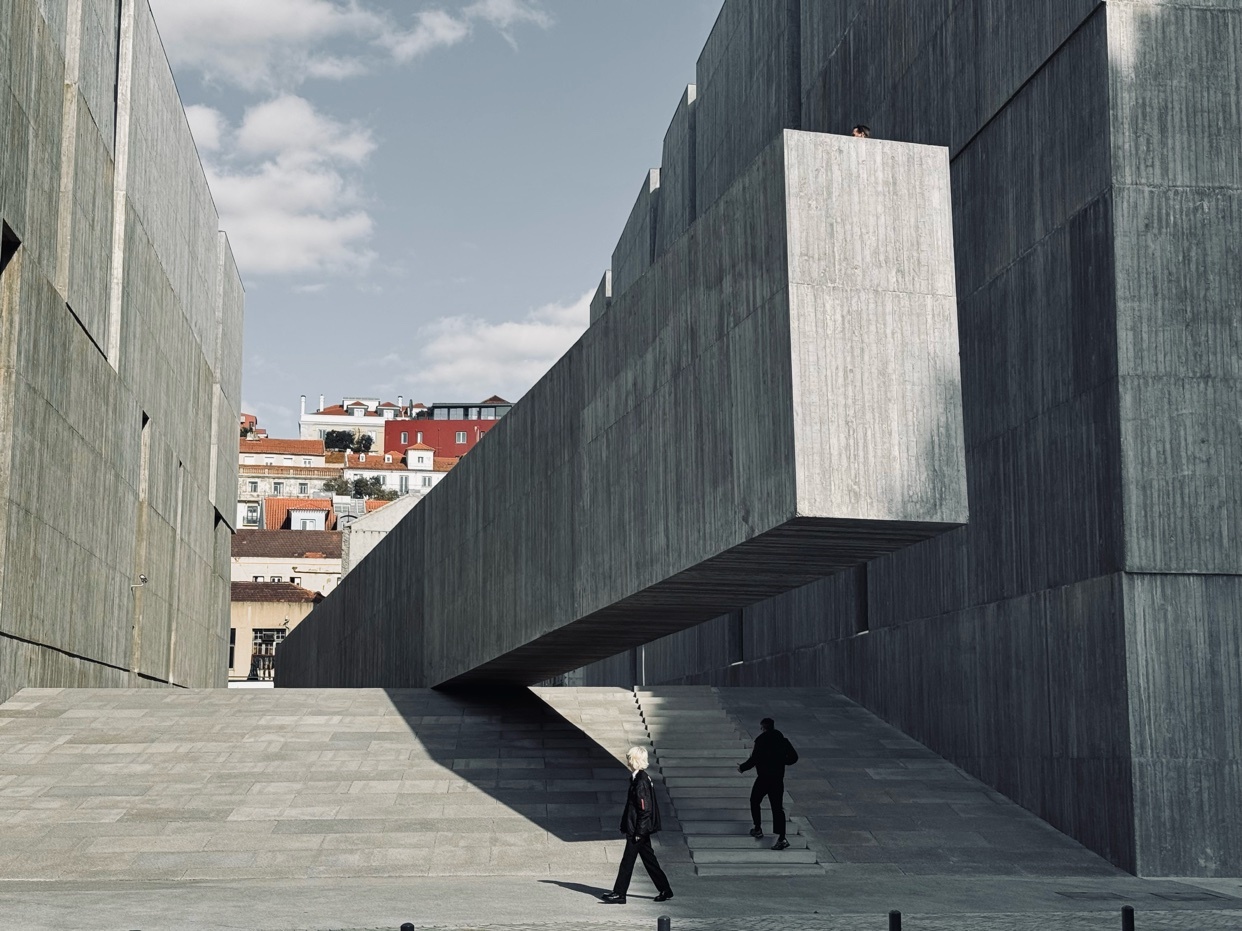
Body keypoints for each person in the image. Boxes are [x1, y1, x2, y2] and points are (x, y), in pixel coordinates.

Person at [601, 746, 674, 904]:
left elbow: (644, 809)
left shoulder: (641, 781)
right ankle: (665, 890)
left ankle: (620, 893)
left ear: (633, 760)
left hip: (638, 830)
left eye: (629, 757)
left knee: (627, 862)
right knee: (650, 861)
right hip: (639, 828)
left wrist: (639, 832)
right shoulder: (640, 778)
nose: (627, 760)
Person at [738, 717, 791, 850]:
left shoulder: (761, 740)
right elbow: (794, 757)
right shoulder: (783, 740)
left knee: (754, 801)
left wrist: (742, 768)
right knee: (777, 808)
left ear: (763, 728)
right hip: (777, 779)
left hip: (764, 778)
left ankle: (758, 828)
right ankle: (782, 838)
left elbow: (754, 759)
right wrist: (781, 761)